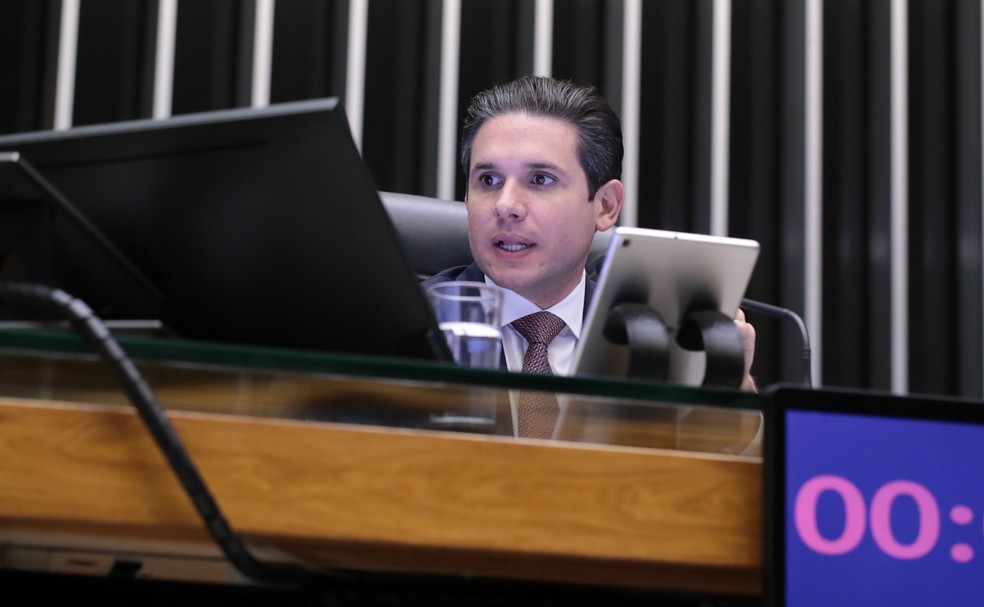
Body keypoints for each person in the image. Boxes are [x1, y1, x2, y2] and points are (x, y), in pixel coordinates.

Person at [422, 75, 757, 392]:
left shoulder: (652, 336)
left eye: (539, 179)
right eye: (489, 180)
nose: (506, 205)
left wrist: (734, 388)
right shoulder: (406, 328)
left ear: (606, 206)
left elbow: (726, 450)